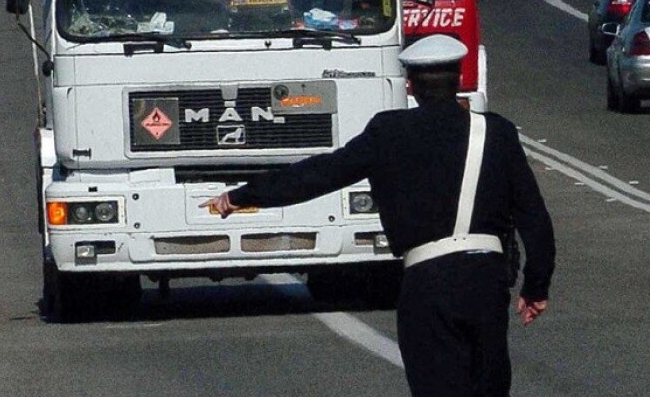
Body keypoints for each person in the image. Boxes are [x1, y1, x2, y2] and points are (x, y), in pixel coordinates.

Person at [202, 35, 556, 397]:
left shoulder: (389, 132)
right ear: (459, 77)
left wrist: (242, 195)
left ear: (410, 85)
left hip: (427, 281)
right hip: (486, 281)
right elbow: (534, 217)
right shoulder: (496, 133)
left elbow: (318, 175)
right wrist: (536, 286)